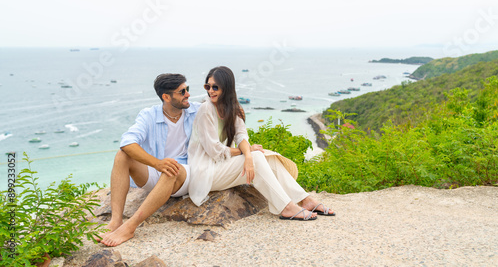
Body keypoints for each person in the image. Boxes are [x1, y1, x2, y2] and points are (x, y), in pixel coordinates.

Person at [188, 66, 335, 221]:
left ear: (227, 88)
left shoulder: (231, 108)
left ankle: (305, 200)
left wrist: (248, 155)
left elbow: (240, 135)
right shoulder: (206, 109)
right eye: (207, 86)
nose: (210, 91)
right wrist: (247, 152)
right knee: (257, 157)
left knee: (264, 156)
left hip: (220, 166)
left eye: (215, 87)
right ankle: (287, 207)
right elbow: (215, 151)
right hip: (206, 173)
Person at [100, 73, 200, 246]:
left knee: (172, 167)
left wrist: (245, 146)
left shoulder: (196, 110)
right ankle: (116, 221)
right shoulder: (149, 115)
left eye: (187, 89)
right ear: (166, 97)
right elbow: (127, 142)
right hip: (156, 172)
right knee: (122, 155)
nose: (188, 94)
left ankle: (130, 226)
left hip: (183, 174)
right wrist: (157, 163)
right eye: (182, 91)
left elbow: (225, 109)